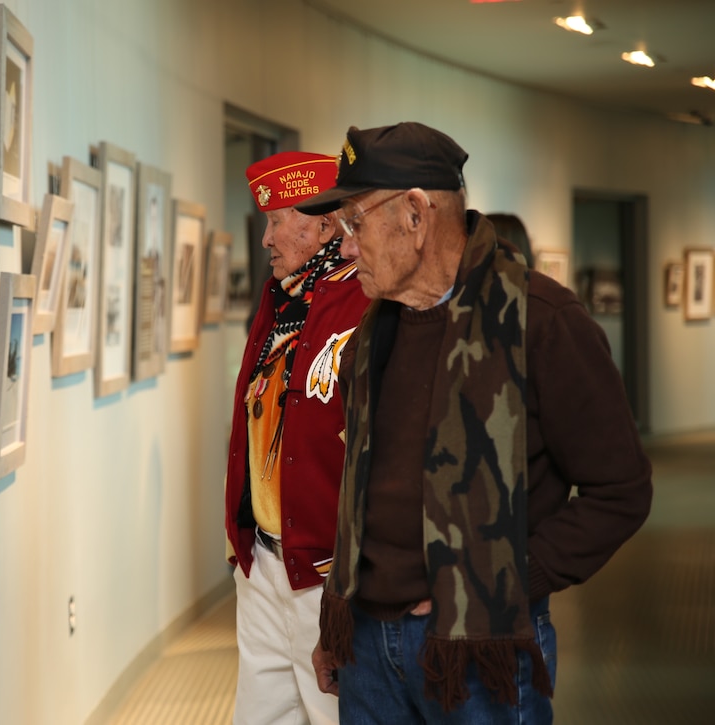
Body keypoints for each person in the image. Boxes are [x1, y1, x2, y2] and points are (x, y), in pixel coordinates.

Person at [294, 122, 653, 724]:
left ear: (415, 213)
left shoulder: (540, 322)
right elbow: (362, 497)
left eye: (354, 222)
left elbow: (621, 492)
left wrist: (507, 582)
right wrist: (338, 624)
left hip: (483, 649)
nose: (345, 246)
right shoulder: (372, 332)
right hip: (367, 652)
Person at [225, 151, 372, 725]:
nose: (266, 238)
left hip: (325, 569)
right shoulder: (280, 300)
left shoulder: (364, 301)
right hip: (261, 559)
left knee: (329, 712)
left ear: (324, 225)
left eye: (277, 219)